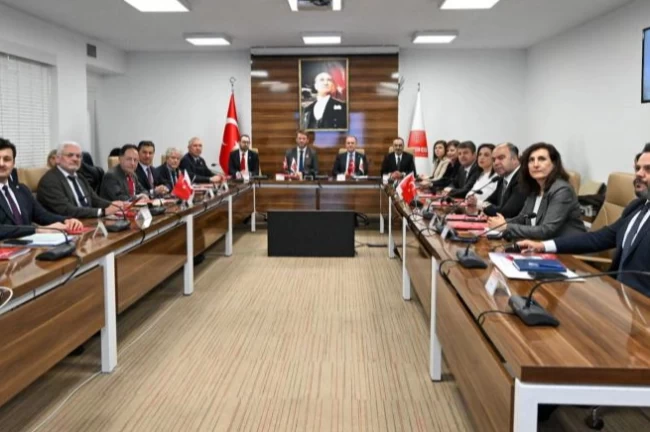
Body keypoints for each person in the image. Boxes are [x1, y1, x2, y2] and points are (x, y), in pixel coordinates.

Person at [518, 149, 650, 296]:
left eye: (648, 169)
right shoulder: (636, 207)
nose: (639, 174)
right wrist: (543, 246)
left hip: (642, 301)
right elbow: (599, 238)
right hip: (617, 293)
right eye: (637, 168)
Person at [487, 142, 586, 240]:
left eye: (541, 159)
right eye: (531, 160)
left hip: (568, 247)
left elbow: (547, 230)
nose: (535, 164)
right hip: (539, 244)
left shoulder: (562, 190)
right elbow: (522, 218)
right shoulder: (534, 189)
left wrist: (506, 227)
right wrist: (500, 222)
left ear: (554, 164)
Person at [0, 138, 82, 240]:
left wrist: (66, 220)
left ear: (13, 163)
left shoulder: (22, 190)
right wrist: (37, 230)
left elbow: (43, 215)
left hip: (29, 245)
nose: (1, 164)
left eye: (7, 159)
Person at [37, 141, 122, 219]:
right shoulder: (50, 181)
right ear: (57, 159)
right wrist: (102, 211)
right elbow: (66, 210)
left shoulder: (80, 177)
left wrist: (115, 205)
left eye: (78, 156)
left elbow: (94, 199)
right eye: (70, 155)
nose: (75, 159)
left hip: (87, 221)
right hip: (66, 225)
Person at [468, 142, 526, 218]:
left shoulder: (523, 179)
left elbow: (506, 213)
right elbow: (491, 200)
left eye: (501, 158)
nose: (496, 163)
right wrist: (485, 210)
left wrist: (481, 206)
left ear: (515, 159)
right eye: (494, 159)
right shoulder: (502, 178)